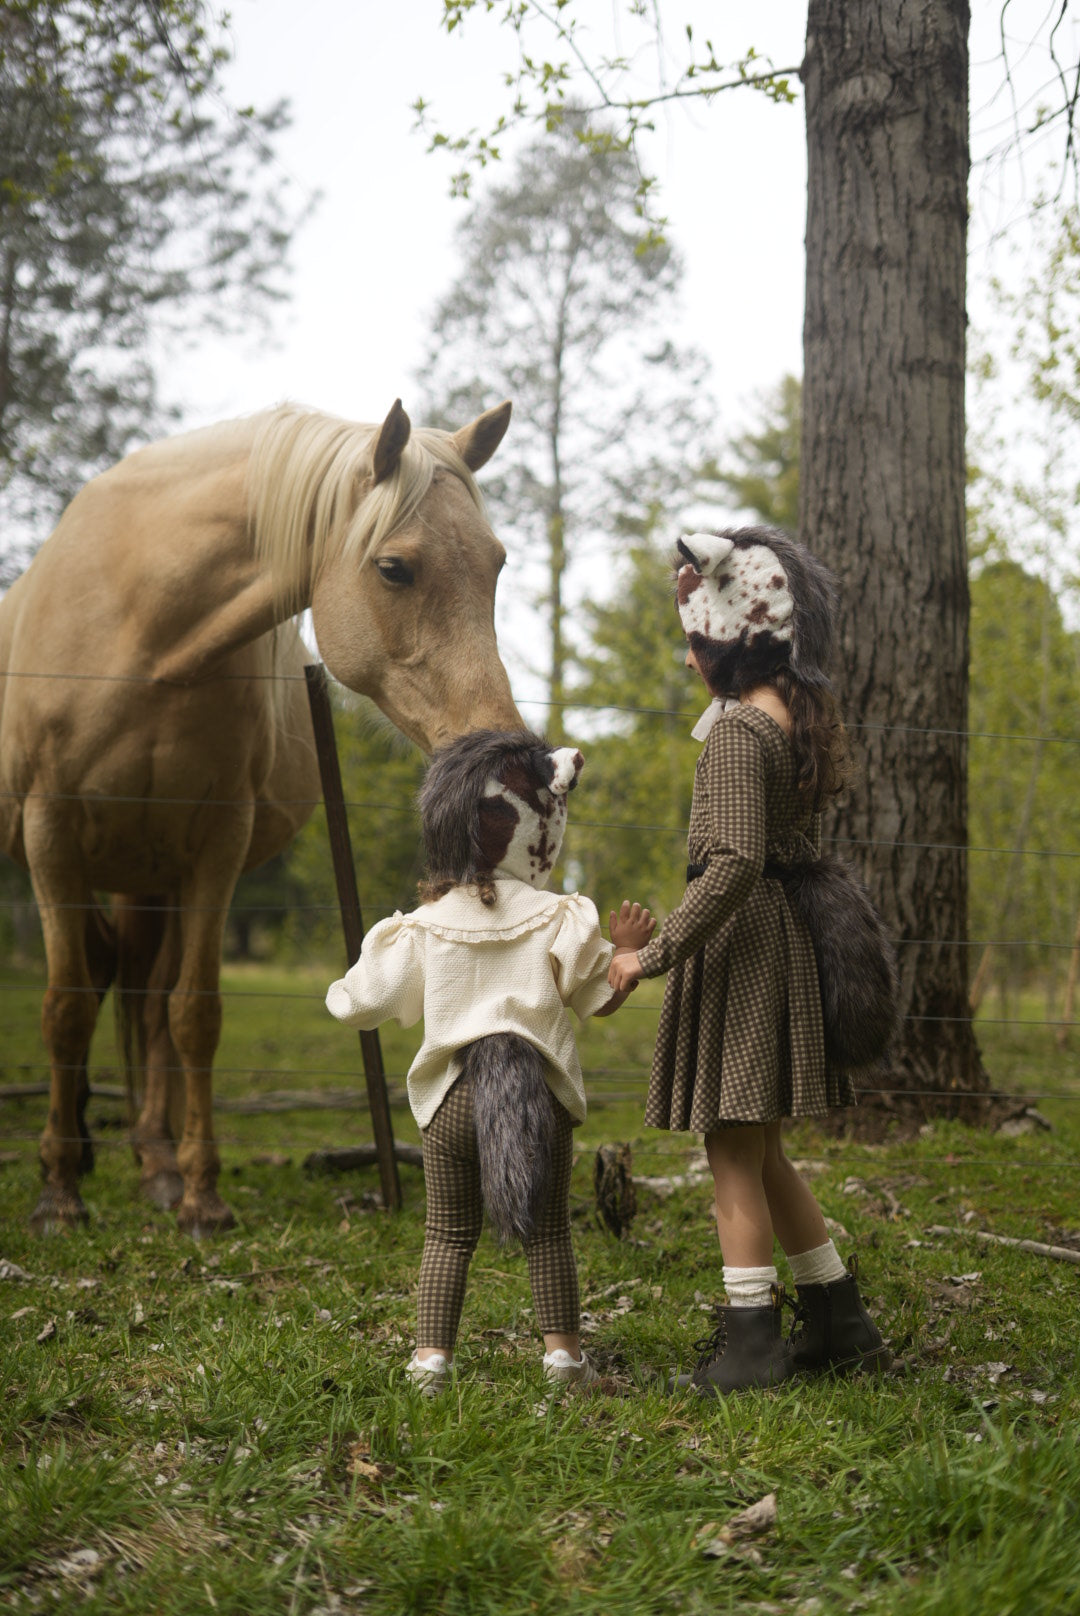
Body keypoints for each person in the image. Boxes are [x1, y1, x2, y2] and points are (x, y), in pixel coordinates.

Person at [607, 528, 893, 1396]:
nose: (687, 658)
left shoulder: (737, 738)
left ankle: (752, 1346)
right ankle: (840, 1320)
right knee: (761, 1148)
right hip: (781, 934)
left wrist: (647, 956)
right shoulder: (791, 717)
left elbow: (730, 864)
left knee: (731, 1147)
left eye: (694, 642)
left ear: (725, 643)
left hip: (747, 949)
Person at [326, 728, 655, 1395]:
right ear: (539, 824)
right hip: (537, 1099)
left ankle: (429, 1367)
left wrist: (350, 981)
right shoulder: (557, 916)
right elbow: (597, 1000)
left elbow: (359, 1003)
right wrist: (625, 960)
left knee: (447, 1236)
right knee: (549, 1235)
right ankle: (565, 1363)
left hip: (450, 1100)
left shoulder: (426, 923)